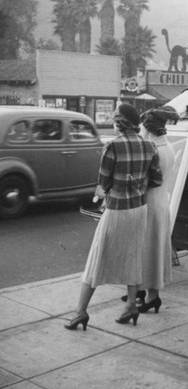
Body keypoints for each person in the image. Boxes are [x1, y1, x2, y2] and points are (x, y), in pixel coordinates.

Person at [64, 103, 163, 331]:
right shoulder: (150, 146)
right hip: (139, 209)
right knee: (134, 256)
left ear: (119, 121)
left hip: (117, 209)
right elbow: (157, 179)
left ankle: (80, 312)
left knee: (97, 258)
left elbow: (104, 183)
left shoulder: (112, 147)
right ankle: (130, 305)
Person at [135, 106, 179, 314]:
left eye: (143, 127)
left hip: (150, 203)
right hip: (161, 202)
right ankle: (146, 292)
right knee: (155, 249)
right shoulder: (167, 146)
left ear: (148, 128)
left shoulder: (152, 150)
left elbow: (143, 182)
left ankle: (152, 296)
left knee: (149, 250)